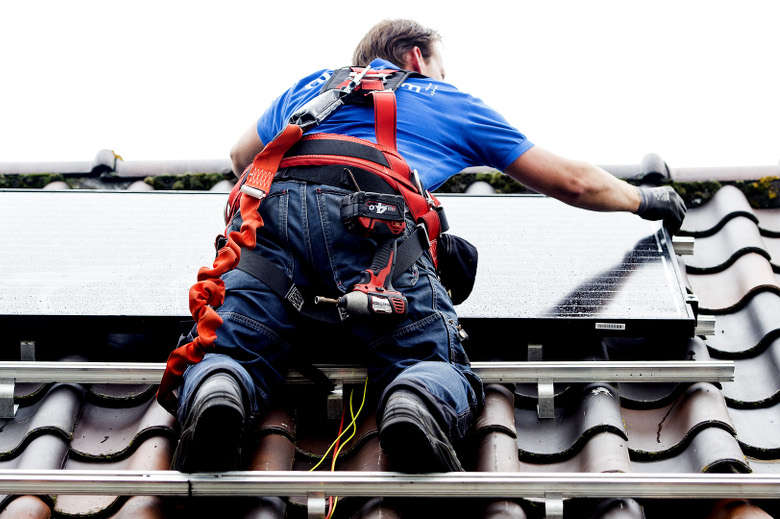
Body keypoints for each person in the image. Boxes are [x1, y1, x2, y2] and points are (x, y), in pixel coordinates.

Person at [161, 18, 686, 474]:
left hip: (267, 222)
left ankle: (216, 395)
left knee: (234, 348)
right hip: (373, 223)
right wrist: (646, 199)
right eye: (440, 65)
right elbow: (573, 181)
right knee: (426, 354)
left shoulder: (311, 87)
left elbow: (240, 156)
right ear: (416, 57)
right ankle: (415, 404)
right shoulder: (449, 101)